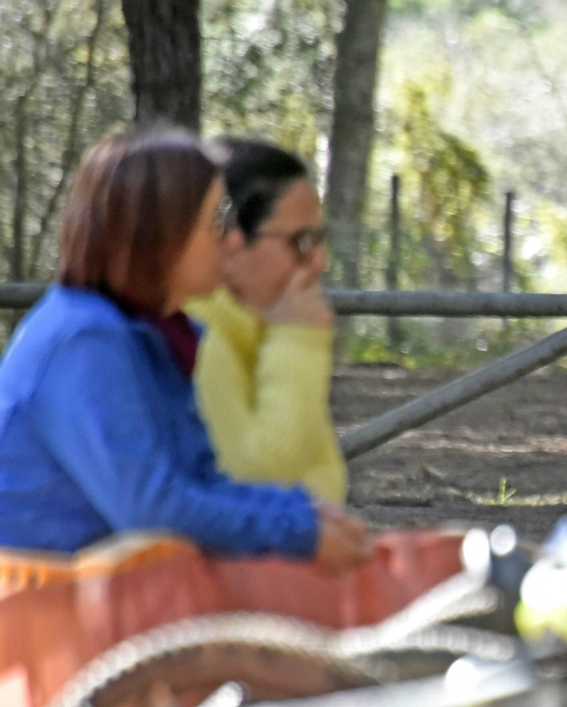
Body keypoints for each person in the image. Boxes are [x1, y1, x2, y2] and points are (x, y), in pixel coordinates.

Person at [0, 129, 368, 572]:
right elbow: (153, 509)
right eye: (215, 222)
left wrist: (302, 514)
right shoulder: (87, 341)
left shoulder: (153, 334)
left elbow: (201, 479)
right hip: (37, 621)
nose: (230, 241)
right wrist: (299, 533)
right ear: (158, 234)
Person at [188, 137, 346, 503]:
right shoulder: (194, 338)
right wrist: (297, 341)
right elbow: (256, 488)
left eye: (321, 239)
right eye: (301, 240)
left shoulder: (258, 331)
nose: (320, 262)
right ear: (230, 239)